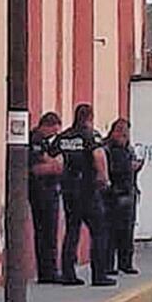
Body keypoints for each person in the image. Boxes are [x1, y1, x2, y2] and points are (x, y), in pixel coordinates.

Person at [56, 103, 115, 287]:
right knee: (99, 232)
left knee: (72, 232)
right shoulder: (90, 135)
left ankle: (68, 273)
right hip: (88, 190)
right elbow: (98, 155)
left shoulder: (64, 136)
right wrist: (104, 179)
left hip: (69, 190)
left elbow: (51, 156)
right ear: (90, 117)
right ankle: (99, 275)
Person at [28, 112, 64, 284]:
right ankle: (47, 272)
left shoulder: (43, 142)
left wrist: (51, 163)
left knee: (49, 234)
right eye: (53, 131)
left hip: (48, 192)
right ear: (47, 126)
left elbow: (51, 162)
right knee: (46, 234)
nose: (53, 135)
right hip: (41, 193)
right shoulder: (35, 139)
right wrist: (54, 165)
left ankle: (49, 270)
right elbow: (38, 167)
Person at [104, 118, 143, 275]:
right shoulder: (109, 148)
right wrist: (130, 167)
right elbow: (114, 169)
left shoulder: (126, 148)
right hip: (115, 193)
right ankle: (109, 265)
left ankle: (125, 263)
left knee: (127, 230)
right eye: (122, 131)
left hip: (128, 191)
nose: (125, 135)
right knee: (112, 232)